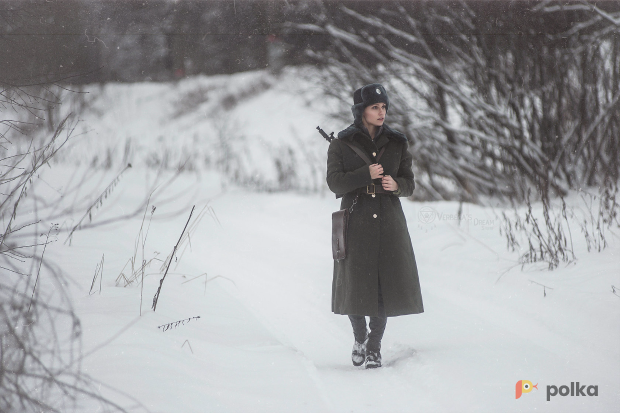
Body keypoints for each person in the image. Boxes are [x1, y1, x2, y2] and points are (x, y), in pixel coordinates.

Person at [326, 83, 424, 369]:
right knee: (355, 284)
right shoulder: (341, 143)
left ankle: (374, 347)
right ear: (361, 111)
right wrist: (364, 174)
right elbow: (335, 183)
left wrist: (397, 185)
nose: (381, 113)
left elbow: (410, 183)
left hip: (388, 218)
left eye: (384, 107)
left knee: (383, 285)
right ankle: (359, 337)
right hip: (355, 218)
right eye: (374, 107)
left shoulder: (397, 142)